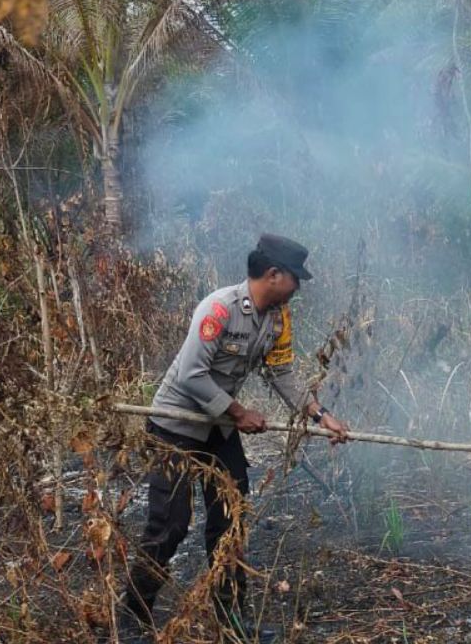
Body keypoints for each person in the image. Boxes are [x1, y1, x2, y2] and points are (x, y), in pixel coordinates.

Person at [118, 234, 349, 643]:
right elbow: (191, 375)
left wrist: (321, 415)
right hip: (174, 428)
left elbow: (281, 374)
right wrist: (240, 412)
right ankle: (131, 620)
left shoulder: (277, 319)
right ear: (274, 274)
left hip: (218, 431)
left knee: (231, 523)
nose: (299, 288)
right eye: (296, 279)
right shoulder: (219, 308)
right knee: (169, 527)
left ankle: (231, 622)